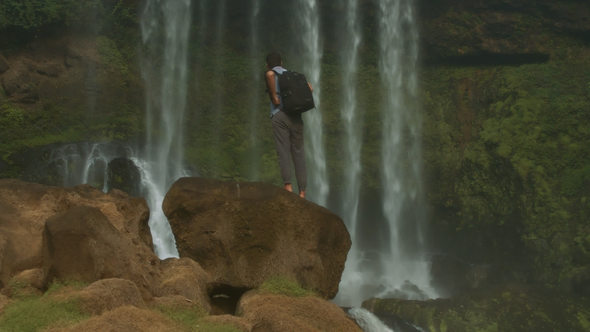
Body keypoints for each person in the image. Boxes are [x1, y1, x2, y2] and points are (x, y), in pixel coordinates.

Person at [264, 52, 308, 199]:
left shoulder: (271, 73)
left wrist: (275, 98)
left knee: (283, 150)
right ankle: (302, 192)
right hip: (296, 117)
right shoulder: (293, 75)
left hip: (280, 115)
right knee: (299, 153)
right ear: (282, 63)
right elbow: (310, 88)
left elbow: (270, 75)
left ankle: (288, 187)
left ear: (267, 65)